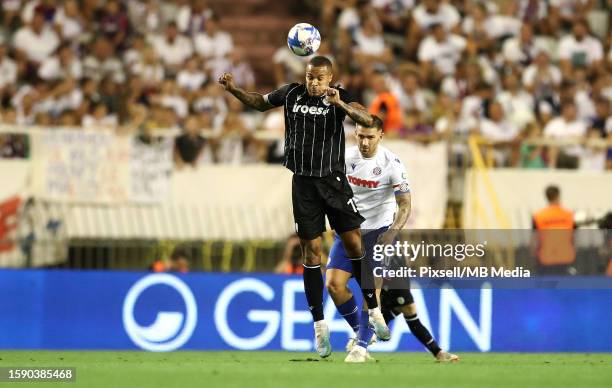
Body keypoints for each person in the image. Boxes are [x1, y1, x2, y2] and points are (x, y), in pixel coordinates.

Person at [218, 56, 389, 358]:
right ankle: (319, 327)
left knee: (353, 244)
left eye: (319, 78)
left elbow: (368, 121)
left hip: (333, 183)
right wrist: (234, 89)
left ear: (329, 78)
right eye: (310, 76)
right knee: (311, 253)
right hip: (303, 186)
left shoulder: (338, 97)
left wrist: (341, 105)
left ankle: (374, 312)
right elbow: (259, 102)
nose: (314, 82)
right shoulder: (291, 94)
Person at [327, 117, 458, 363]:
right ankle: (360, 332)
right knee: (334, 285)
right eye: (360, 136)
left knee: (371, 290)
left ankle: (361, 348)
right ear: (355, 134)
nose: (365, 142)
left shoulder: (392, 164)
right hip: (348, 231)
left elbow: (405, 205)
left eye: (370, 137)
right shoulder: (344, 158)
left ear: (381, 136)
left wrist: (392, 232)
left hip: (379, 233)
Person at [532, 185, 576, 275]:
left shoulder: (538, 216)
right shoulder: (569, 215)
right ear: (558, 196)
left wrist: (534, 256)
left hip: (546, 258)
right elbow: (575, 238)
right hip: (566, 257)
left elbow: (534, 240)